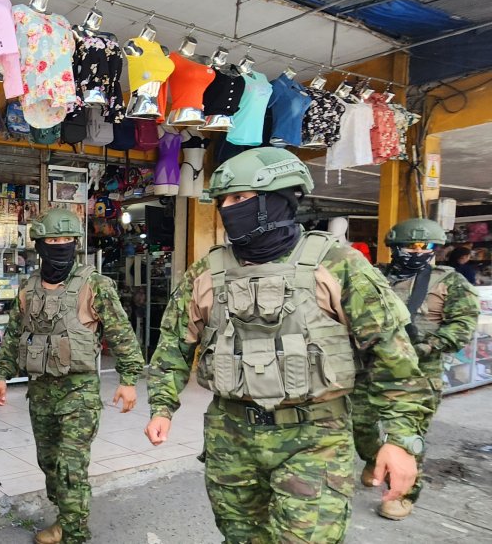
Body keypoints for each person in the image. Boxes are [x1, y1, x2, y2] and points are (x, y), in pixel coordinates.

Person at [144, 147, 430, 543]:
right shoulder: (207, 270)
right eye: (224, 200)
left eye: (240, 198)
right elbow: (174, 344)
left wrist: (400, 440)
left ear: (278, 200)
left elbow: (391, 355)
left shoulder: (338, 264)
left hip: (316, 439)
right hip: (231, 435)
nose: (228, 209)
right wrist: (163, 406)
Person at [0, 208, 144, 544]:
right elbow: (16, 335)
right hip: (41, 391)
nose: (59, 245)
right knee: (48, 462)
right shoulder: (29, 288)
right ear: (40, 244)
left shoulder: (95, 285)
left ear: (75, 243)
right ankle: (65, 518)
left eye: (66, 239)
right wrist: (3, 375)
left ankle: (75, 534)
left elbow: (121, 334)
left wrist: (129, 379)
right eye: (52, 239)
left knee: (70, 466)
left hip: (80, 393)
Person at [353, 218, 478, 520]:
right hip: (370, 369)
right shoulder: (373, 276)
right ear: (394, 247)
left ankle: (403, 494)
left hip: (420, 373)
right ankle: (375, 457)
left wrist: (427, 346)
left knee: (409, 436)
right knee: (360, 426)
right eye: (411, 245)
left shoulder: (448, 281)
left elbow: (463, 325)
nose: (418, 251)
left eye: (427, 246)